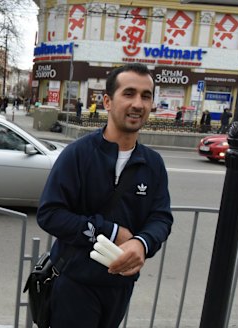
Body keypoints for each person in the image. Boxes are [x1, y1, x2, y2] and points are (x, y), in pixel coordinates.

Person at [37, 63, 173, 328]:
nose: (138, 103)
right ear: (108, 101)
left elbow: (161, 218)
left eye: (146, 96)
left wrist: (141, 243)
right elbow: (50, 214)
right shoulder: (77, 154)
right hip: (75, 285)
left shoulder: (153, 163)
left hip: (120, 286)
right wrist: (110, 231)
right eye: (129, 93)